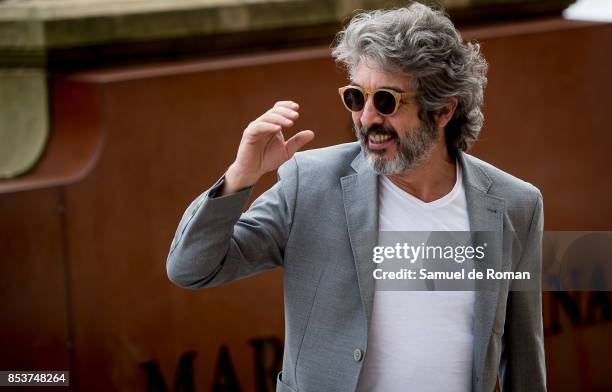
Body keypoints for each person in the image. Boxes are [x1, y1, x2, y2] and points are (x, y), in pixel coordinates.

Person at [166, 2, 546, 391]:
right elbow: (192, 268)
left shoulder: (515, 205)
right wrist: (240, 176)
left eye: (386, 101)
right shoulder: (310, 184)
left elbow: (523, 359)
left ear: (443, 110)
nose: (366, 119)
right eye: (355, 98)